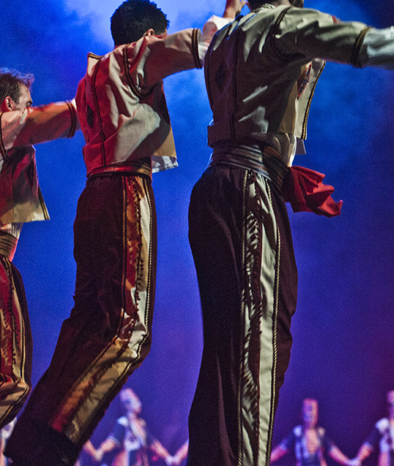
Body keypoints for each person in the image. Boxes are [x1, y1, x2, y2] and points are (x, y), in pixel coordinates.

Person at [186, 1, 394, 465]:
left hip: (217, 186)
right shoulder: (282, 22)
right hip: (248, 188)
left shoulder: (228, 34)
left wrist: (279, 171)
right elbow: (365, 44)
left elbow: (239, 94)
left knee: (225, 348)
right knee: (260, 344)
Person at [4, 1, 241, 464]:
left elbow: (56, 121)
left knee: (87, 323)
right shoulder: (137, 55)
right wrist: (231, 9)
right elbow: (208, 41)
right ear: (148, 34)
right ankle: (52, 447)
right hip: (124, 189)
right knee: (129, 331)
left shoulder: (90, 79)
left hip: (92, 195)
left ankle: (31, 441)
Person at [0, 69, 79, 429]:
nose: (30, 110)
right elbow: (53, 119)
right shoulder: (5, 125)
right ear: (8, 105)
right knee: (10, 381)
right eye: (27, 104)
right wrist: (103, 94)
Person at [82, 388, 175, 466]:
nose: (139, 403)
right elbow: (112, 441)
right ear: (127, 405)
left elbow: (154, 444)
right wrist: (101, 450)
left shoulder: (141, 425)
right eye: (135, 400)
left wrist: (167, 457)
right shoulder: (124, 423)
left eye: (138, 400)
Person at [270, 398, 353, 466]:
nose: (310, 418)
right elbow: (280, 450)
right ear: (302, 414)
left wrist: (348, 462)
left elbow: (334, 451)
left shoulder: (320, 433)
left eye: (312, 416)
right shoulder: (297, 432)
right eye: (307, 415)